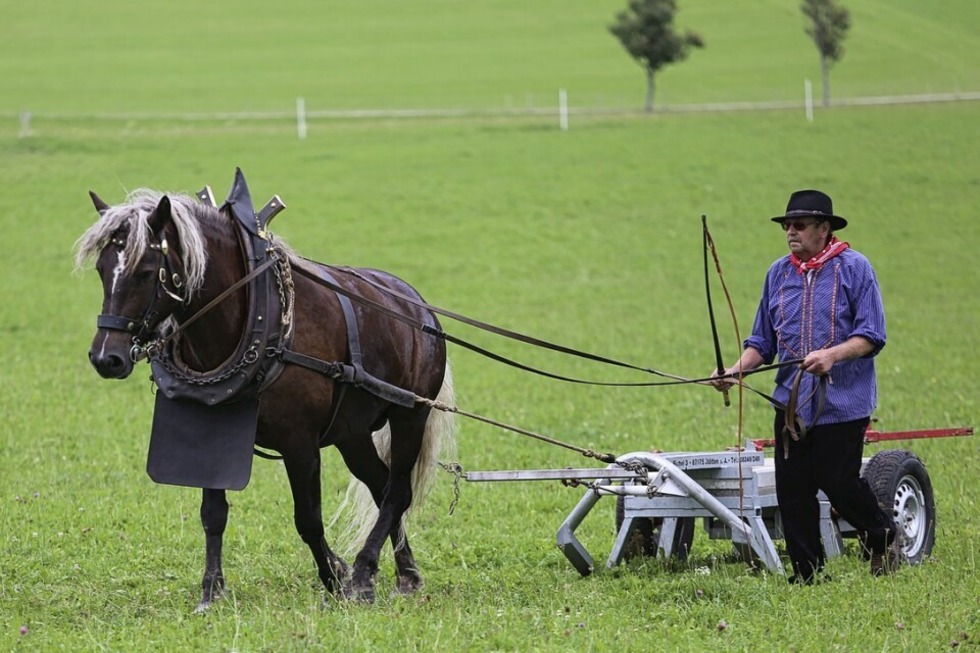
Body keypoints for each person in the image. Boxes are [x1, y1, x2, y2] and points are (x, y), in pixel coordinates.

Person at [710, 189, 901, 584]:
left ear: (824, 228)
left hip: (843, 402)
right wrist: (735, 371)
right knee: (793, 492)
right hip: (791, 404)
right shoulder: (777, 274)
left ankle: (881, 533)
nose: (791, 233)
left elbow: (872, 335)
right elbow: (762, 342)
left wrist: (832, 355)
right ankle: (808, 575)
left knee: (839, 484)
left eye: (799, 225)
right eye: (787, 226)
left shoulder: (856, 268)